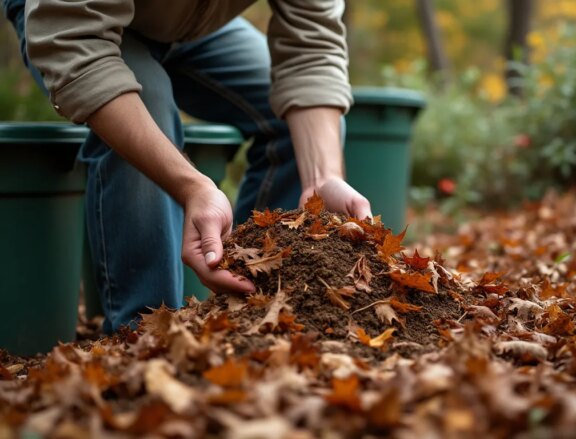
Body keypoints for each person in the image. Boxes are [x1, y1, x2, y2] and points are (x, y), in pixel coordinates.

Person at [2, 0, 372, 333]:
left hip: (195, 24)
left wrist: (323, 176)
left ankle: (258, 311)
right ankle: (146, 335)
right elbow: (73, 42)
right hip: (73, 17)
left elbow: (312, 49)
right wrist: (191, 185)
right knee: (149, 106)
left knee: (306, 125)